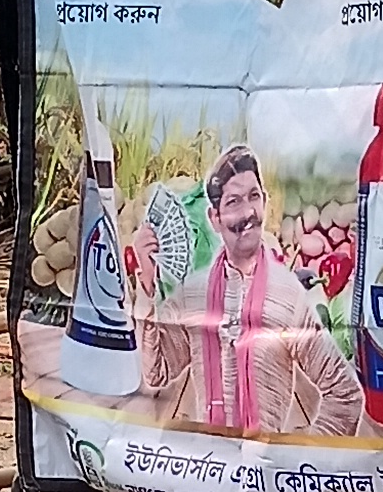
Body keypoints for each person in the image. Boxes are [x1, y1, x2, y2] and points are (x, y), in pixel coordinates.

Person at [139, 147, 361, 437]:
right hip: (209, 460)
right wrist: (146, 281)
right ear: (215, 218)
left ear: (265, 202)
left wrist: (301, 453)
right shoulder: (192, 294)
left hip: (265, 462)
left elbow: (345, 395)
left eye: (253, 197)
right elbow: (156, 371)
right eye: (233, 202)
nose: (247, 213)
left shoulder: (286, 295)